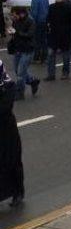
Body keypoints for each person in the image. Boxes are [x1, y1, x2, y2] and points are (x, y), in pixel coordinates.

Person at [0, 61, 25, 207]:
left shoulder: (8, 87)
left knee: (11, 159)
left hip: (6, 129)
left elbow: (5, 107)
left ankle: (18, 191)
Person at [8, 7, 39, 100]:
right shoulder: (16, 21)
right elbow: (15, 32)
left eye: (14, 15)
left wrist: (17, 33)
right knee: (18, 71)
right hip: (18, 48)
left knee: (20, 73)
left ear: (21, 14)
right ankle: (32, 81)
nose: (13, 17)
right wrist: (12, 33)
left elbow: (29, 35)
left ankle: (20, 93)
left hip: (27, 49)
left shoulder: (30, 21)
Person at [45, 0, 71, 81]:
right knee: (65, 54)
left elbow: (48, 20)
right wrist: (70, 28)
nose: (58, 0)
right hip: (64, 35)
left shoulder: (52, 7)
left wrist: (48, 27)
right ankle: (65, 73)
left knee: (52, 54)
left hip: (54, 34)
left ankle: (51, 74)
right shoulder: (69, 7)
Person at [30, 0, 49, 64]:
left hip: (38, 22)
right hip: (45, 21)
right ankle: (44, 57)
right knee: (44, 40)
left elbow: (34, 13)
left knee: (37, 40)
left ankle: (36, 57)